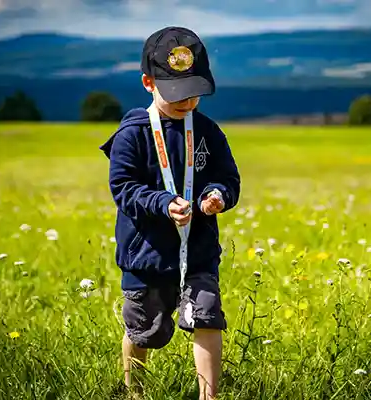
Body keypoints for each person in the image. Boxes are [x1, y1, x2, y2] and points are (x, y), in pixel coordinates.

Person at [99, 26, 241, 400]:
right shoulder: (132, 135)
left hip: (198, 252)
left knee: (208, 317)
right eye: (177, 93)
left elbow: (228, 178)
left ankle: (209, 396)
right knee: (143, 330)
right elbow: (123, 188)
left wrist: (217, 195)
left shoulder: (209, 132)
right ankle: (134, 391)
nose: (187, 102)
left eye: (194, 93)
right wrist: (162, 204)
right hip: (146, 255)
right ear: (148, 82)